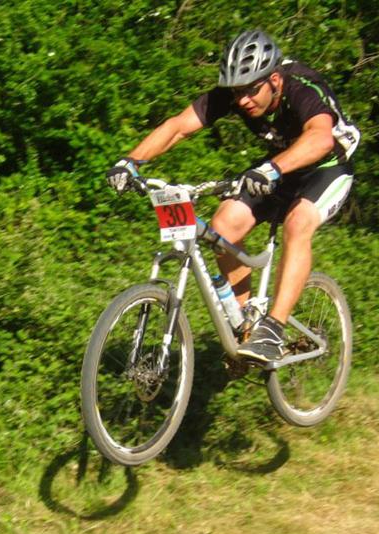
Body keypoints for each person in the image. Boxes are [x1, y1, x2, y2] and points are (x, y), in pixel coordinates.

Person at [106, 29, 360, 362]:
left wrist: (272, 170)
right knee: (223, 225)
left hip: (328, 166)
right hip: (280, 166)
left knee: (298, 223)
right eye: (236, 92)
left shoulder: (301, 86)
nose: (242, 101)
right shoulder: (236, 94)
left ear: (274, 80)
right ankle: (247, 328)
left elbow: (320, 138)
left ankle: (273, 330)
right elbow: (178, 126)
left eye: (251, 90)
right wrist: (131, 161)